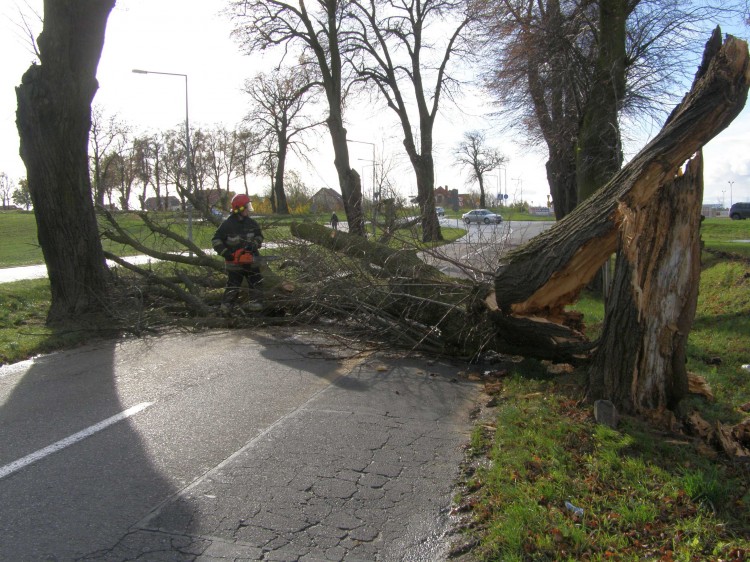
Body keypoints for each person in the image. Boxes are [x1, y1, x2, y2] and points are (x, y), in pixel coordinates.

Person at [212, 194, 264, 314]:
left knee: (256, 284)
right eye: (246, 207)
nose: (248, 209)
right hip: (234, 263)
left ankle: (256, 312)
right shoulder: (227, 225)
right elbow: (216, 240)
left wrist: (255, 244)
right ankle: (225, 311)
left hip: (251, 261)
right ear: (239, 208)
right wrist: (227, 253)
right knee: (233, 287)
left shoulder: (252, 223)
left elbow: (259, 236)